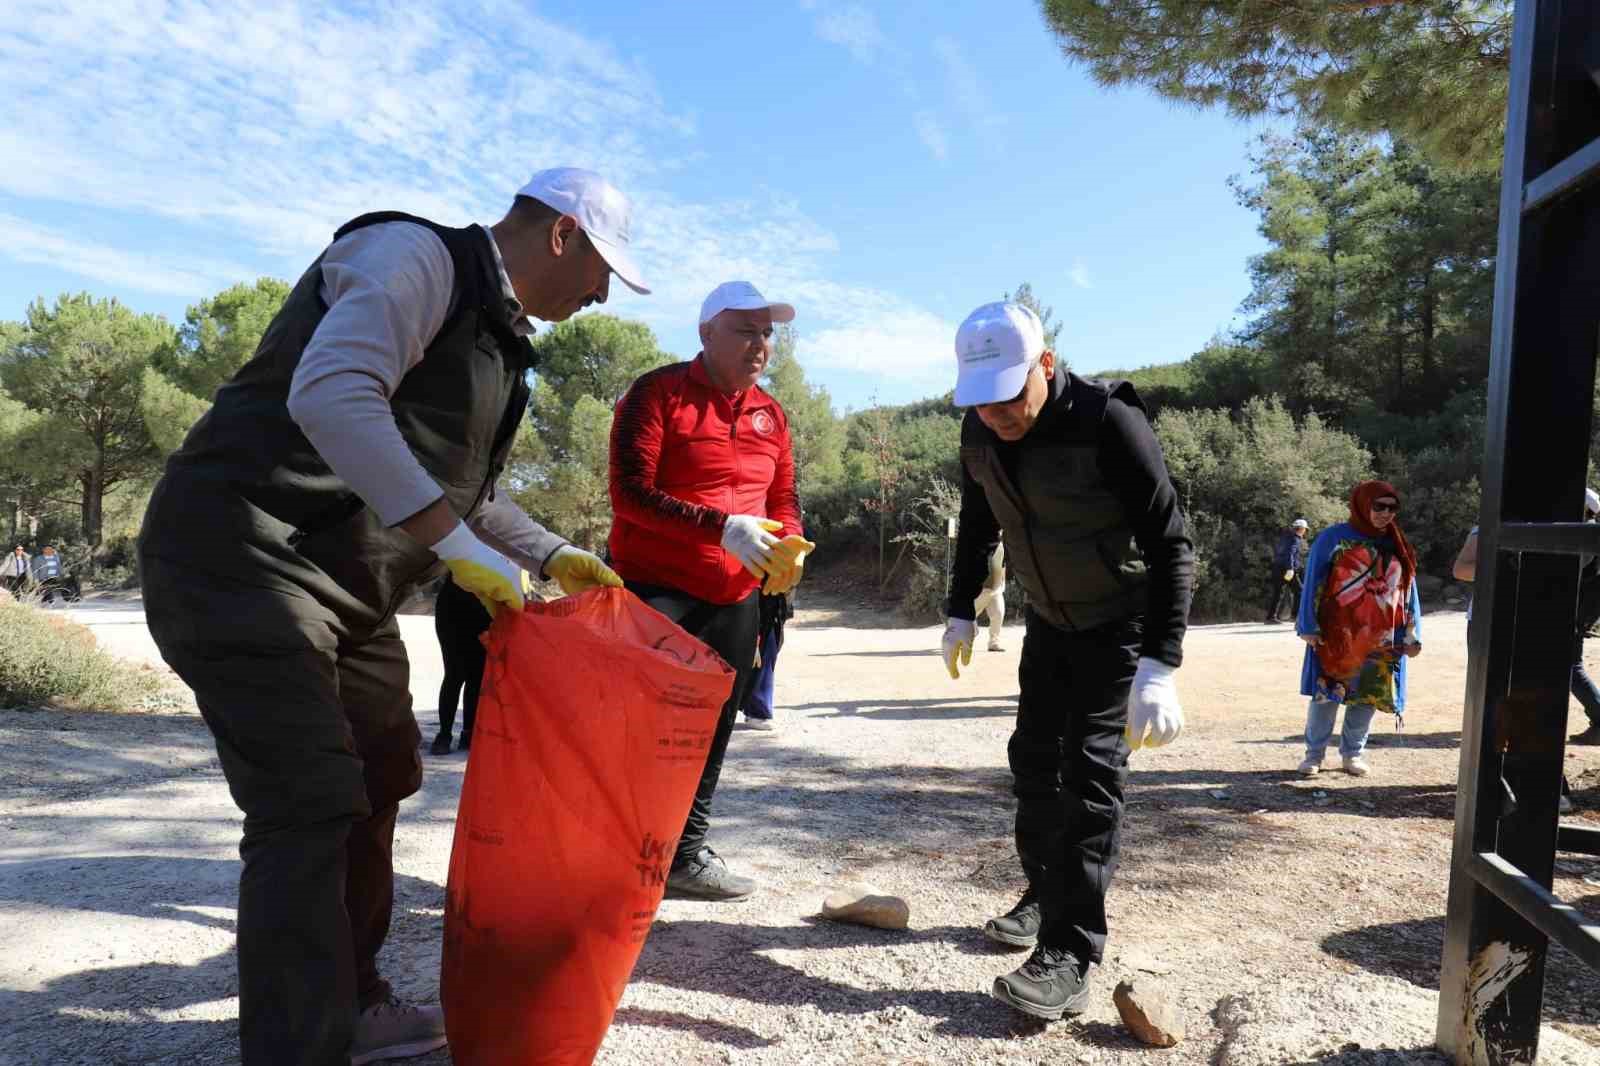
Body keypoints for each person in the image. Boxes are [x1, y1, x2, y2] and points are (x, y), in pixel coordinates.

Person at [136, 167, 637, 1066]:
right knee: (308, 804)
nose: (603, 294)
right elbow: (330, 395)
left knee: (379, 777)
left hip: (349, 589)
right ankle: (299, 1050)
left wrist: (546, 551)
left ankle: (354, 1005)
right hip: (243, 555)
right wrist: (456, 547)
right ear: (562, 233)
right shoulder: (413, 256)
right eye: (604, 269)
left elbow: (464, 492)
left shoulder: (500, 343)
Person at [940, 301, 1194, 1021]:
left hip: (1119, 627)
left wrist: (1161, 664)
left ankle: (1071, 951)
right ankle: (1044, 893)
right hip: (1050, 625)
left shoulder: (1109, 420)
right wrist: (962, 609)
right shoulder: (979, 427)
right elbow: (978, 523)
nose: (996, 415)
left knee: (1090, 778)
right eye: (981, 402)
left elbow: (1172, 541)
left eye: (1010, 396)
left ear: (1045, 366)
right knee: (1033, 765)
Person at [607, 280, 813, 901]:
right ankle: (618, 857)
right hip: (657, 589)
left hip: (736, 597)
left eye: (767, 333)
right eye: (746, 330)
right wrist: (720, 527)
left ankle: (684, 855)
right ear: (706, 334)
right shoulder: (657, 393)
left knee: (715, 726)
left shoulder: (771, 414)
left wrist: (792, 544)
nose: (760, 344)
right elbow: (630, 494)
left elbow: (782, 499)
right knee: (643, 729)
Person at [1295, 481, 1422, 779]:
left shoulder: (1397, 543)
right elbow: (1313, 581)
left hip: (1384, 634)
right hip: (1337, 633)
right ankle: (1314, 755)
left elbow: (1409, 588)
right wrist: (1308, 625)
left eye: (1392, 508)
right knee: (1327, 694)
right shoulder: (1333, 538)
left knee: (1368, 695)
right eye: (1379, 506)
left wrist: (1413, 634)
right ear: (1363, 505)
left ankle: (1353, 754)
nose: (1385, 514)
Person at [430, 576, 491, 755]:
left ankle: (469, 733)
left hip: (485, 606)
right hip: (453, 607)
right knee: (454, 673)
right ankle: (444, 734)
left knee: (477, 675)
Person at [739, 589, 794, 730]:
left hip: (771, 600)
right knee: (761, 653)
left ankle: (756, 709)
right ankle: (757, 712)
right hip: (756, 598)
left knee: (767, 651)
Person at [1265, 518, 1309, 624]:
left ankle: (1270, 617)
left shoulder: (1285, 537)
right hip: (1287, 570)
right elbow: (1289, 554)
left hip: (1278, 568)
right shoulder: (1295, 539)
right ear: (1301, 529)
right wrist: (1290, 568)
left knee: (1278, 592)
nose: (1305, 531)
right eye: (1305, 529)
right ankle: (1295, 616)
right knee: (1299, 591)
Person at [972, 543, 1008, 651]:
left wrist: (1002, 583)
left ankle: (993, 643)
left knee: (998, 613)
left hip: (996, 588)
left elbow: (1003, 564)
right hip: (980, 589)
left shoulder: (1002, 545)